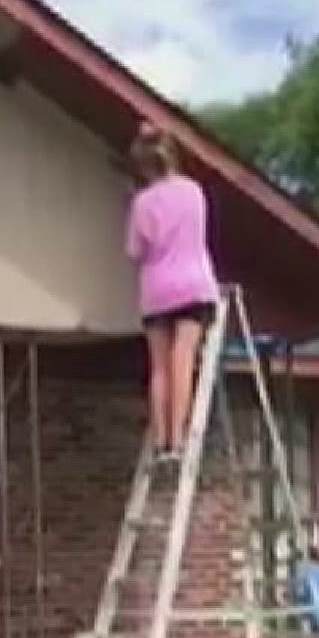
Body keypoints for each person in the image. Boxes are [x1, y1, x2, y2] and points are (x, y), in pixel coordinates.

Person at [125, 122, 220, 459]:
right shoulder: (193, 191)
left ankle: (161, 438)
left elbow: (134, 252)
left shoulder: (141, 203)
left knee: (160, 368)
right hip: (193, 284)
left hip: (156, 290)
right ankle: (178, 441)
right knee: (183, 361)